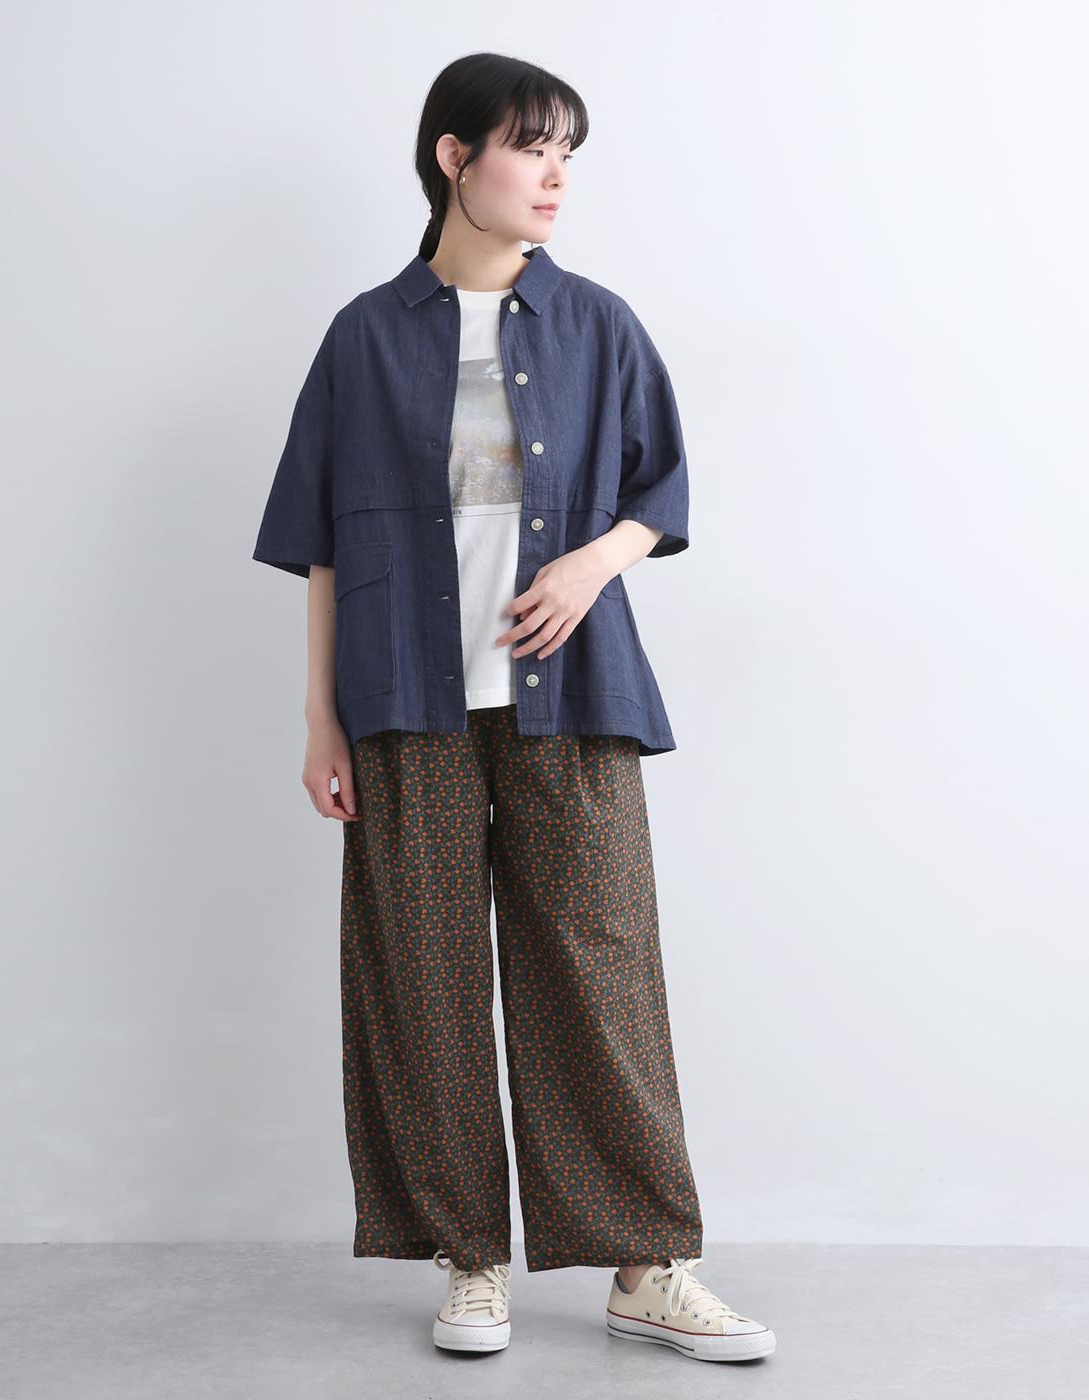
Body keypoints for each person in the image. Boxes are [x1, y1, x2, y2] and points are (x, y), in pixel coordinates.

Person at [252, 51, 776, 1365]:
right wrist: (318, 720)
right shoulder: (365, 335)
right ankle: (469, 1259)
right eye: (531, 146)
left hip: (574, 698)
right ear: (454, 156)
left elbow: (661, 493)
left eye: (566, 154)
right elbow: (321, 541)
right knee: (421, 979)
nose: (554, 176)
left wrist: (592, 566)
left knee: (601, 974)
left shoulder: (597, 323)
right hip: (407, 701)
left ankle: (646, 1267)